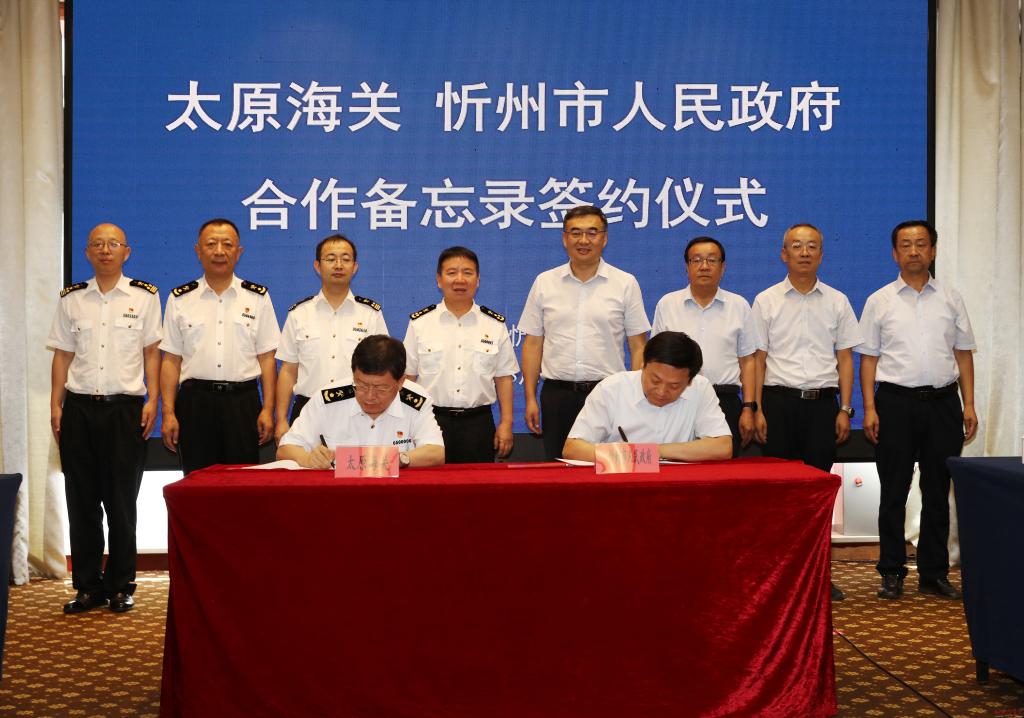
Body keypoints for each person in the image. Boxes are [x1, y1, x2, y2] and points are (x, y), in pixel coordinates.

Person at [858, 220, 977, 600]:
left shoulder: (951, 298)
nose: (914, 251)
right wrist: (869, 407)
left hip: (944, 403)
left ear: (933, 251)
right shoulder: (879, 300)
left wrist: (970, 404)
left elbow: (963, 353)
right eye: (906, 245)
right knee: (894, 490)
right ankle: (891, 571)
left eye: (921, 244)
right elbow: (868, 359)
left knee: (938, 490)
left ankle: (934, 573)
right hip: (895, 403)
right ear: (895, 253)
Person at [47, 223, 162, 613]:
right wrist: (56, 405)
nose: (105, 250)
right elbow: (62, 355)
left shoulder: (145, 297)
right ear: (87, 252)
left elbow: (152, 353)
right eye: (97, 244)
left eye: (113, 244)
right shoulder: (72, 299)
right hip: (79, 408)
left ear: (126, 252)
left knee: (121, 502)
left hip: (124, 409)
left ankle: (120, 584)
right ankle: (87, 586)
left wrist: (153, 399)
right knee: (81, 501)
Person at [750, 223, 862, 602]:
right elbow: (757, 359)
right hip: (777, 404)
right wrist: (757, 408)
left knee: (817, 496)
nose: (804, 252)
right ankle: (780, 577)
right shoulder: (765, 300)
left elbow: (845, 359)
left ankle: (818, 577)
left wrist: (845, 408)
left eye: (812, 246)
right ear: (783, 254)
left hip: (822, 406)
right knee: (780, 496)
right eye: (796, 246)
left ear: (821, 254)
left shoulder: (837, 301)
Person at [518, 205, 651, 460]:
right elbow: (533, 344)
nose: (583, 240)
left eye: (592, 232)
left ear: (604, 238)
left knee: (609, 468)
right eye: (576, 233)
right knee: (558, 468)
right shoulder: (545, 282)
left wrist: (634, 397)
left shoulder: (625, 283)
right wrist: (530, 398)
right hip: (557, 396)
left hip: (608, 393)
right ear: (564, 238)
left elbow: (638, 347)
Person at [160, 218, 279, 475]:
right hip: (195, 403)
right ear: (198, 250)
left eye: (227, 244)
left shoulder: (257, 297)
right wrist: (168, 412)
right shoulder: (180, 298)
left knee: (241, 483)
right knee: (197, 482)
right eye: (211, 244)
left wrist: (268, 409)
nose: (219, 251)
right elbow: (171, 360)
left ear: (239, 252)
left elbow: (267, 359)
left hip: (242, 403)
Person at [402, 247, 519, 463]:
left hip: (478, 423)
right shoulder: (420, 323)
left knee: (477, 484)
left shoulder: (494, 324)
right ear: (439, 280)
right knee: (429, 483)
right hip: (430, 421)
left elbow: (503, 378)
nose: (460, 280)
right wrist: (407, 423)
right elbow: (408, 378)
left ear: (478, 280)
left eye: (467, 272)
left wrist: (506, 423)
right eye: (451, 272)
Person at [274, 234, 387, 442]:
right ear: (317, 266)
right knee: (304, 463)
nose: (338, 265)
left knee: (354, 464)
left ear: (355, 267)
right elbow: (288, 370)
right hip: (308, 409)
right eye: (331, 259)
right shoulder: (299, 314)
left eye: (345, 259)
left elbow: (382, 370)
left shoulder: (370, 314)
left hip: (357, 410)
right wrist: (281, 419)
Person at [652, 236, 757, 457]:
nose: (704, 266)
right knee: (674, 464)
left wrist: (748, 407)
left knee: (724, 469)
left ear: (723, 267)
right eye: (697, 260)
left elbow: (748, 361)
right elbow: (656, 359)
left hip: (725, 401)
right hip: (678, 399)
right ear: (687, 266)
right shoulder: (667, 304)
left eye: (712, 260)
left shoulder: (739, 306)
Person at [278, 335, 445, 468]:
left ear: (401, 382)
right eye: (362, 385)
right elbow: (285, 449)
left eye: (381, 388)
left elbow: (436, 452)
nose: (369, 396)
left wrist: (397, 459)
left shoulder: (416, 401)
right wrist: (308, 458)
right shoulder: (327, 399)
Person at [562, 331, 733, 462]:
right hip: (621, 484)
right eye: (655, 380)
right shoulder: (611, 389)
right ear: (643, 365)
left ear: (690, 381)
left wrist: (655, 452)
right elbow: (573, 449)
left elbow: (722, 447)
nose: (661, 391)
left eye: (674, 386)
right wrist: (636, 458)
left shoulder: (700, 388)